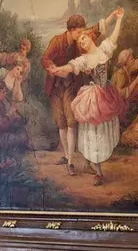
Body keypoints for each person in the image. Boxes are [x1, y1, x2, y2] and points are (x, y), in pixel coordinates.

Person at [46, 8, 126, 185]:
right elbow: (70, 67)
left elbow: (114, 37)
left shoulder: (104, 49)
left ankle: (89, 163)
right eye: (80, 40)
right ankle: (98, 172)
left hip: (107, 96)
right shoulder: (83, 60)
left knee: (102, 131)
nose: (82, 41)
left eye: (84, 38)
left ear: (91, 37)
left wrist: (118, 19)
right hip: (93, 98)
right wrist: (57, 69)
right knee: (93, 133)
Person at [41, 14, 99, 173]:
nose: (81, 35)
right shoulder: (57, 41)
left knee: (72, 122)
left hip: (72, 85)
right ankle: (67, 155)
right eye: (79, 32)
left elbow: (86, 55)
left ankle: (71, 163)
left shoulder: (78, 44)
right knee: (61, 123)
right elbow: (45, 59)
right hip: (55, 86)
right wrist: (52, 67)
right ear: (71, 30)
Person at [0, 39, 32, 103]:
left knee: (18, 98)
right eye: (20, 48)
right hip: (8, 73)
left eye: (23, 49)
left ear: (27, 50)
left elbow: (24, 75)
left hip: (16, 80)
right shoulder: (15, 55)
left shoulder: (27, 63)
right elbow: (4, 57)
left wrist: (19, 78)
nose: (21, 50)